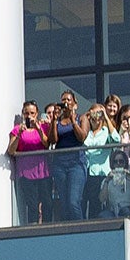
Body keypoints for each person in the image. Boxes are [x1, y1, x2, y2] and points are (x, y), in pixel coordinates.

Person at [7, 101, 49, 225]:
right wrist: (19, 133)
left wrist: (39, 129)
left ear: (37, 114)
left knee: (47, 201)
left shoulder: (43, 127)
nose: (29, 116)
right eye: (26, 113)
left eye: (32, 113)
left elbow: (47, 144)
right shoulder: (16, 130)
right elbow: (11, 150)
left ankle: (48, 227)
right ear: (22, 114)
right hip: (26, 173)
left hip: (43, 171)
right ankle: (33, 227)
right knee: (32, 204)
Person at [51, 91, 87, 223]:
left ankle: (80, 229)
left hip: (76, 164)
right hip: (60, 164)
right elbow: (53, 140)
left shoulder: (81, 118)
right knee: (64, 203)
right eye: (63, 100)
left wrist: (73, 120)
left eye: (68, 100)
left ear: (75, 103)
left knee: (73, 201)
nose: (66, 102)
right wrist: (54, 120)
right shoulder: (58, 121)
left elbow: (82, 137)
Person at [82, 105, 118, 216]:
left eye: (99, 114)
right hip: (85, 172)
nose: (96, 117)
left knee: (96, 205)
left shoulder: (106, 132)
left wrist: (106, 117)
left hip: (100, 173)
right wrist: (84, 117)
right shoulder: (85, 132)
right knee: (82, 203)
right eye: (94, 114)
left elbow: (117, 140)